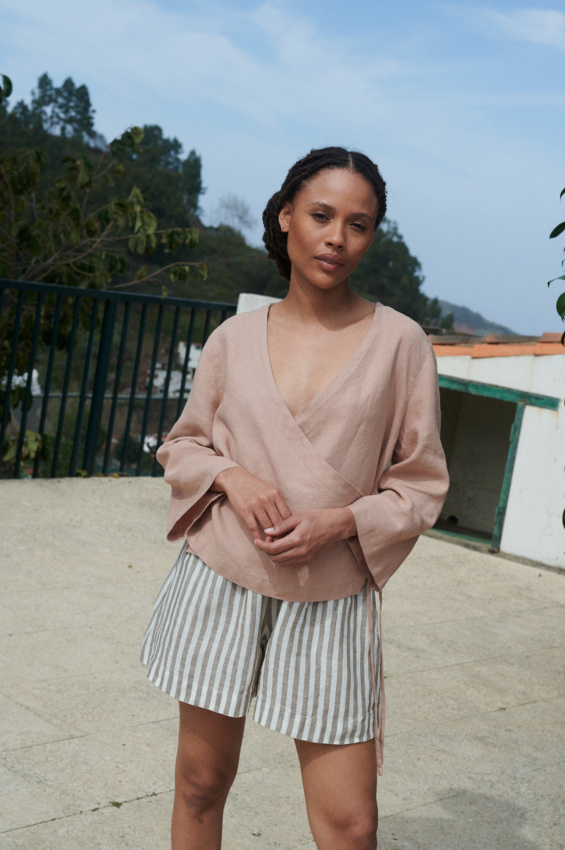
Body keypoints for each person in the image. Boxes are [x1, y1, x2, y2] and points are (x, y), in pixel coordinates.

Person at [141, 146, 449, 850]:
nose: (338, 237)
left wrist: (344, 521)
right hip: (221, 578)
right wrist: (232, 477)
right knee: (199, 784)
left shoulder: (402, 344)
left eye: (359, 224)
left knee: (349, 825)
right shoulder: (232, 340)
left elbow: (421, 482)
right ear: (286, 219)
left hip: (332, 592)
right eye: (321, 215)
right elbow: (183, 445)